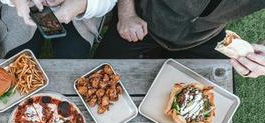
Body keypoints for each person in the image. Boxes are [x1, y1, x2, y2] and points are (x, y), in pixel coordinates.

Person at [95, 0, 265, 74]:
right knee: (99, 73)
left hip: (204, 34)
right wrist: (126, 12)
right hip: (144, 17)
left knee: (213, 99)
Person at [0, 0, 116, 59]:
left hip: (79, 9)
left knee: (71, 61)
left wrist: (82, 4)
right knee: (18, 62)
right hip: (25, 5)